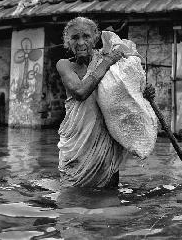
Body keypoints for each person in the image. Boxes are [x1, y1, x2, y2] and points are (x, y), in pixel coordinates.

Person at [56, 17, 154, 188]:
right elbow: (80, 92)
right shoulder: (65, 65)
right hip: (77, 145)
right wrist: (106, 62)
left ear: (96, 37)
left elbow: (127, 88)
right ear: (67, 42)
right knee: (72, 198)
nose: (80, 42)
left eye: (86, 36)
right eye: (74, 38)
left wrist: (142, 90)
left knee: (109, 195)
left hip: (105, 142)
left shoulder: (110, 59)